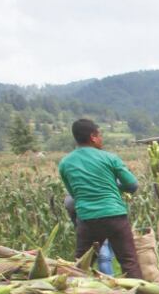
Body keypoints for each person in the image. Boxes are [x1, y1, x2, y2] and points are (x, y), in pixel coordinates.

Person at [58, 119, 143, 278]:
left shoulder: (65, 163)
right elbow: (132, 185)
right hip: (115, 216)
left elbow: (74, 194)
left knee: (81, 266)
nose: (101, 139)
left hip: (87, 219)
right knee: (129, 263)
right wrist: (115, 186)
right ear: (93, 137)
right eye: (100, 135)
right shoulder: (109, 158)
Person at [63, 193, 115, 275]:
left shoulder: (71, 197)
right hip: (99, 210)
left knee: (102, 254)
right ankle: (109, 280)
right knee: (104, 256)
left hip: (85, 215)